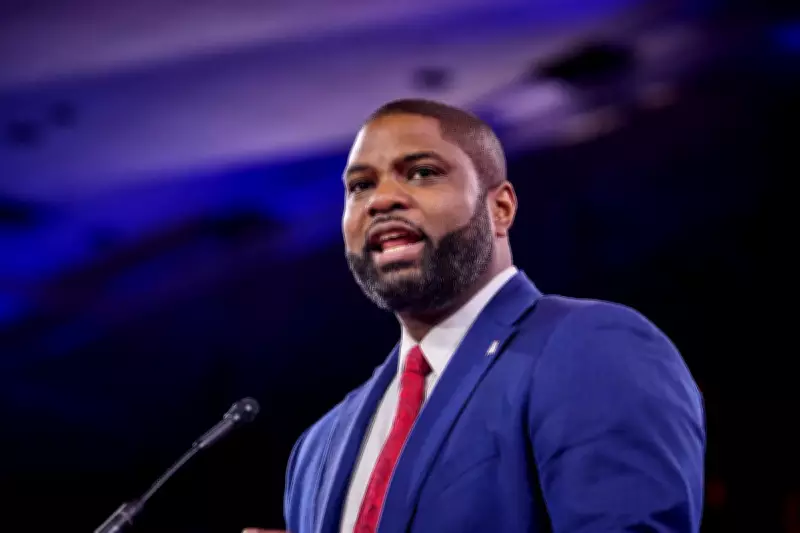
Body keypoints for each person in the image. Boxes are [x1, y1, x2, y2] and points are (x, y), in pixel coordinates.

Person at [244, 99, 705, 533]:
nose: (380, 200)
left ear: (500, 208)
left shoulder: (590, 347)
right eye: (360, 186)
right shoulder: (318, 448)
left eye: (422, 173)